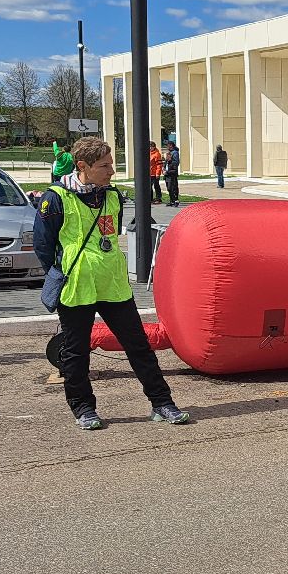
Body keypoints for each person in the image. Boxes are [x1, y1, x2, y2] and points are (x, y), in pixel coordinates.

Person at [34, 137, 190, 429]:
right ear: (83, 166)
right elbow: (43, 245)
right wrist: (60, 272)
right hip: (77, 285)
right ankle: (83, 408)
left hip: (113, 283)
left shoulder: (112, 196)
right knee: (76, 351)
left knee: (138, 345)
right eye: (105, 166)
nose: (111, 172)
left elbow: (109, 234)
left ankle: (162, 403)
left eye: (111, 165)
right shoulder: (55, 198)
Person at [163, 141, 181, 207]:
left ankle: (175, 200)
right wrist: (164, 168)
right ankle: (172, 201)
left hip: (172, 173)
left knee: (172, 187)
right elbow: (166, 163)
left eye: (167, 145)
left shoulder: (175, 153)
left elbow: (176, 163)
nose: (166, 147)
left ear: (171, 145)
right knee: (169, 188)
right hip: (167, 174)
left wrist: (170, 161)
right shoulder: (169, 153)